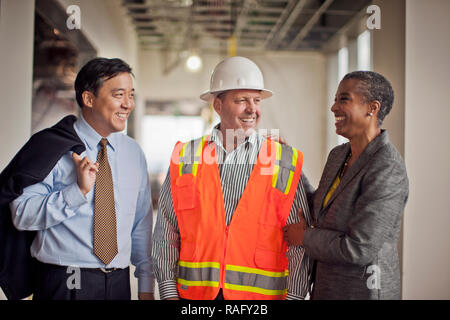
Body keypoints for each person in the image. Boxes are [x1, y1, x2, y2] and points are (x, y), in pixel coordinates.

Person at [152, 56, 312, 300]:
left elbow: (299, 243)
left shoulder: (283, 161)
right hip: (195, 297)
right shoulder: (186, 157)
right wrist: (168, 292)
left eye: (257, 100)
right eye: (241, 100)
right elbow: (166, 233)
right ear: (218, 106)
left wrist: (296, 297)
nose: (252, 109)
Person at [6, 58, 154, 300]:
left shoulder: (133, 153)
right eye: (119, 94)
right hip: (64, 283)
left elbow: (141, 225)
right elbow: (21, 215)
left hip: (119, 283)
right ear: (88, 99)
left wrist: (146, 285)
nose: (128, 104)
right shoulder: (50, 147)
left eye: (131, 95)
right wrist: (77, 192)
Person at [283, 71, 409, 299]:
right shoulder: (339, 155)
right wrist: (288, 163)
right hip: (327, 288)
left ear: (372, 108)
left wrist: (304, 237)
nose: (333, 108)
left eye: (344, 99)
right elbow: (320, 208)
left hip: (362, 291)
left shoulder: (387, 168)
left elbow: (358, 247)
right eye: (334, 100)